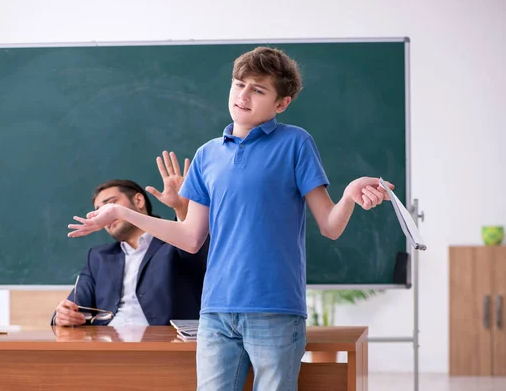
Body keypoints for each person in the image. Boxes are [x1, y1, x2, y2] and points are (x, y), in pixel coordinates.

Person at [68, 47, 394, 390]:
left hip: (275, 308)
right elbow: (190, 237)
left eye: (258, 90)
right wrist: (122, 211)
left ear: (280, 104)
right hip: (215, 312)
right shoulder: (207, 155)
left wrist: (349, 195)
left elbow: (330, 226)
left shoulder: (295, 143)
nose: (243, 96)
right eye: (239, 84)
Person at [54, 152, 207, 327]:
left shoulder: (175, 244)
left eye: (110, 203)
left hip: (163, 345)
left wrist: (182, 210)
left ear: (139, 200)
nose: (103, 214)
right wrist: (63, 315)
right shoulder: (98, 257)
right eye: (98, 210)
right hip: (108, 345)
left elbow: (198, 251)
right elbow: (75, 307)